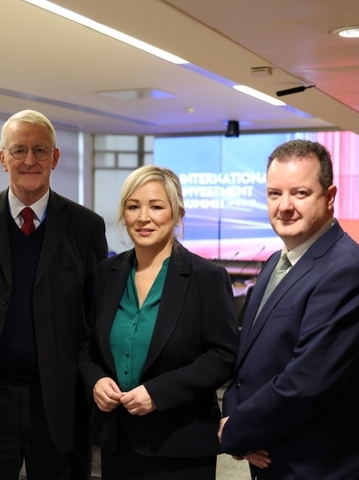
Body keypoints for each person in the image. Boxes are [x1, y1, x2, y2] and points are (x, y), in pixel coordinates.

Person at [0, 109, 108, 479]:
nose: (29, 160)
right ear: (2, 159)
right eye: (18, 151)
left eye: (40, 150)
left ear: (55, 158)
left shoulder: (85, 228)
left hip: (59, 400)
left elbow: (94, 312)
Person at [218, 140, 359, 479]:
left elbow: (305, 382)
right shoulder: (276, 261)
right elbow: (249, 361)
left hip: (327, 466)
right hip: (277, 455)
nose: (284, 206)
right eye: (274, 194)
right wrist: (237, 420)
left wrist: (235, 430)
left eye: (299, 193)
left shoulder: (347, 272)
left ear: (329, 197)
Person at [79, 165, 239, 479]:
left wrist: (158, 393)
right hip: (117, 442)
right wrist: (95, 380)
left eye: (156, 206)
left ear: (177, 214)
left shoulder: (206, 277)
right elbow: (86, 345)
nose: (143, 217)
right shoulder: (106, 274)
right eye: (133, 206)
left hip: (180, 445)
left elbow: (223, 357)